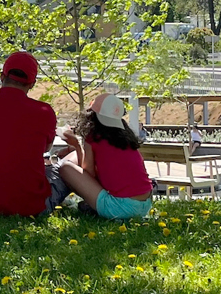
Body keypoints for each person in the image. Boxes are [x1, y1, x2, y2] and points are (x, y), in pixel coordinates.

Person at [0, 51, 59, 216]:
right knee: (68, 165)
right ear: (32, 83)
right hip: (32, 205)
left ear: (2, 76)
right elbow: (45, 148)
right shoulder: (44, 112)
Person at [53, 93, 154, 221]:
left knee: (65, 167)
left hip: (120, 208)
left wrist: (77, 146)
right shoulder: (125, 137)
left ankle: (83, 204)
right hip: (145, 204)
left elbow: (88, 174)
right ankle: (93, 207)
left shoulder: (93, 137)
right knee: (72, 159)